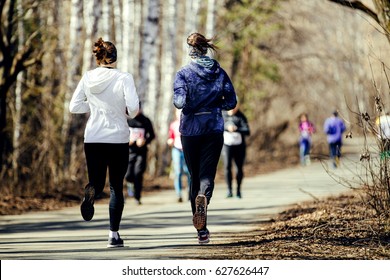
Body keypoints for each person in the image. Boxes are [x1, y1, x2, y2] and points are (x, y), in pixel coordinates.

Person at [69, 38, 139, 248]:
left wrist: (92, 106)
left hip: (93, 137)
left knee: (98, 182)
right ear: (115, 58)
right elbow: (134, 108)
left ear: (98, 57)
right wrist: (126, 111)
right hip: (117, 137)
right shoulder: (124, 78)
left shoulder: (88, 77)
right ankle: (113, 235)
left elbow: (74, 106)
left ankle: (91, 191)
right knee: (116, 186)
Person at [173, 32, 237, 244]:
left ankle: (201, 231)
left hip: (190, 130)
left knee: (194, 177)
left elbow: (179, 102)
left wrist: (189, 100)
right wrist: (214, 103)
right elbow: (231, 102)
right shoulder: (219, 72)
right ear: (205, 48)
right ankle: (205, 200)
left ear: (190, 50)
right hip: (213, 128)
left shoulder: (183, 74)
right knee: (207, 174)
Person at [125, 103, 155, 205]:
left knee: (138, 173)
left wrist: (144, 141)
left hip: (141, 152)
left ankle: (137, 197)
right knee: (128, 175)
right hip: (129, 151)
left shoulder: (145, 120)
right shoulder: (127, 120)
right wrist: (127, 141)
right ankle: (130, 185)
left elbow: (152, 135)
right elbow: (120, 133)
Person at [222, 103, 250, 199]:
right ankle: (229, 190)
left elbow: (247, 131)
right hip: (227, 146)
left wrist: (236, 129)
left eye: (234, 107)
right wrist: (227, 128)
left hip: (239, 146)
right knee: (227, 167)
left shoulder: (241, 116)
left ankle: (238, 190)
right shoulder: (222, 115)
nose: (232, 109)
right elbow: (216, 127)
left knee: (239, 168)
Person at [167, 109, 191, 203]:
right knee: (177, 172)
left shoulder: (189, 123)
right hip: (176, 150)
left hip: (187, 150)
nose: (180, 113)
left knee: (188, 172)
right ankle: (179, 194)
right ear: (176, 113)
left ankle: (190, 192)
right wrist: (170, 141)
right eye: (178, 112)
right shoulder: (173, 125)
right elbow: (171, 137)